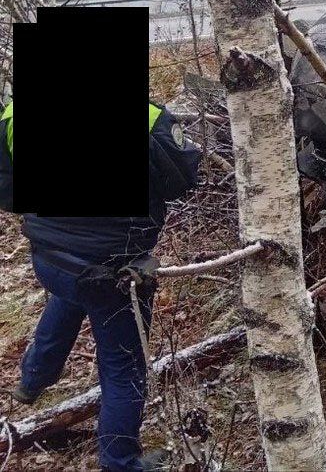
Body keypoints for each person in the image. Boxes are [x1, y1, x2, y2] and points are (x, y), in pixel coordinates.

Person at [0, 100, 201, 472]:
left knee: (71, 291)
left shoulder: (14, 112)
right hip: (114, 269)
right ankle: (120, 462)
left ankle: (33, 378)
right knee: (124, 366)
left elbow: (6, 188)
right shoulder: (151, 117)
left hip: (50, 258)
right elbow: (182, 179)